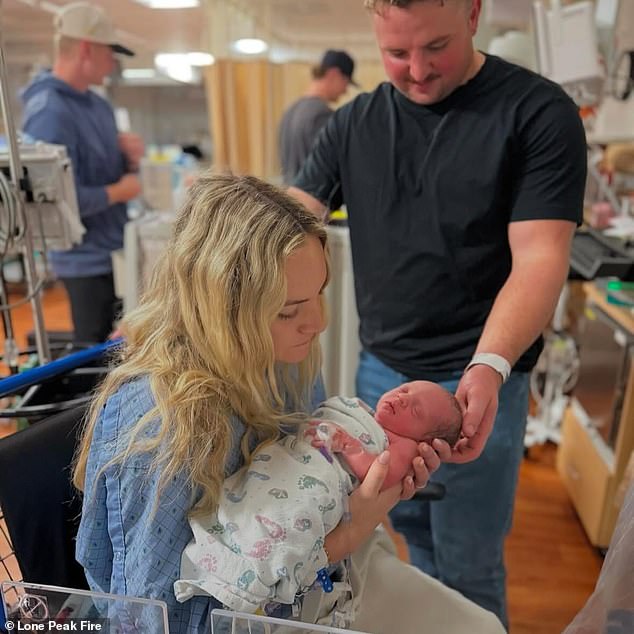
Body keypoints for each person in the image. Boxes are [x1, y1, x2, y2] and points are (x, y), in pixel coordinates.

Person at [72, 172, 503, 634]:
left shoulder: (285, 363)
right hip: (259, 607)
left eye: (318, 293)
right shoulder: (162, 428)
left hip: (318, 581)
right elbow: (155, 622)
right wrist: (348, 534)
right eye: (287, 310)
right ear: (221, 308)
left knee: (482, 627)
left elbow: (310, 483)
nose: (317, 323)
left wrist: (379, 478)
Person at [287, 0, 587, 627]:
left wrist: (491, 364)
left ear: (474, 13)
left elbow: (539, 257)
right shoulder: (352, 125)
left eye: (436, 48)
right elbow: (286, 220)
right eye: (397, 53)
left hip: (479, 377)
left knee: (469, 560)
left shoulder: (536, 112)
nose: (418, 71)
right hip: (382, 372)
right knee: (405, 546)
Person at [174, 381, 462, 618]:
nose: (402, 399)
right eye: (406, 390)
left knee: (289, 517)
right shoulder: (360, 411)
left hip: (326, 477)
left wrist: (349, 447)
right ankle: (227, 549)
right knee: (253, 496)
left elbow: (380, 472)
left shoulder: (402, 446)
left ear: (424, 441)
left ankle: (254, 573)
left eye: (415, 410)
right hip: (298, 458)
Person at [21, 2, 144, 344]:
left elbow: (110, 173)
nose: (113, 63)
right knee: (97, 362)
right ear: (87, 50)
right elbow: (55, 203)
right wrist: (120, 191)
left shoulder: (98, 106)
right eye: (110, 53)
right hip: (86, 265)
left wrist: (128, 155)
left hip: (116, 252)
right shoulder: (49, 112)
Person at [278, 50, 357, 185]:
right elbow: (330, 168)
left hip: (290, 197)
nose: (345, 91)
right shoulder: (322, 115)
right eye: (346, 82)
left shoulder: (290, 111)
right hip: (310, 202)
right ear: (334, 74)